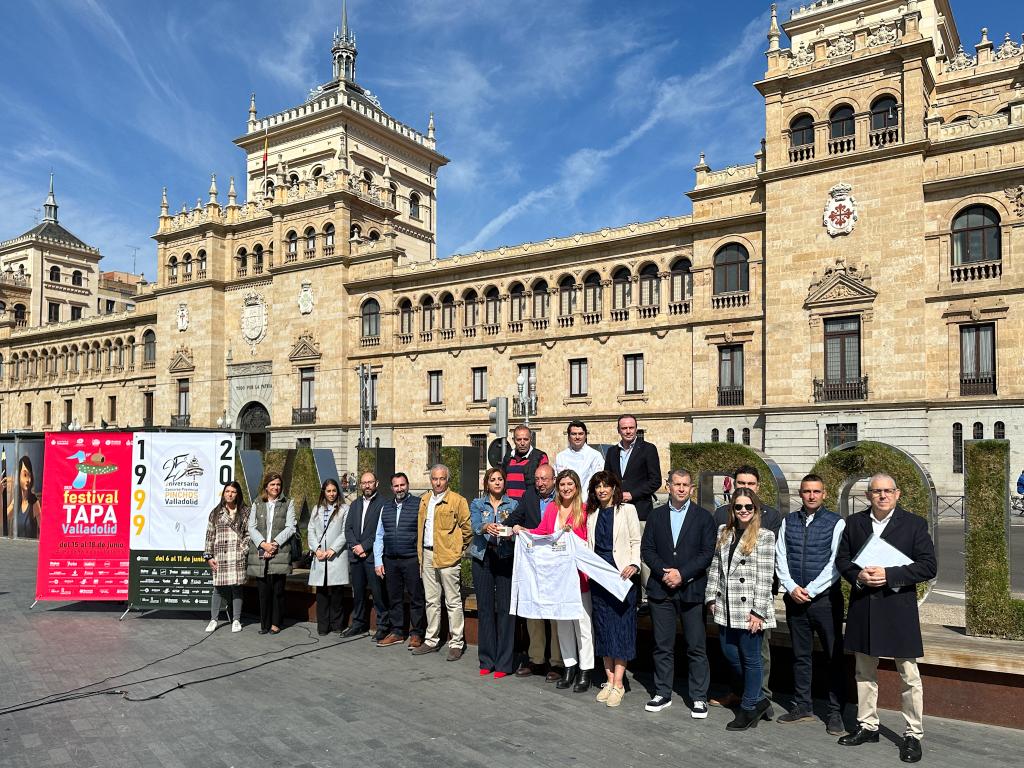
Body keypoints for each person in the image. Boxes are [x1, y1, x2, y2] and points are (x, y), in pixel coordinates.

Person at [836, 473, 937, 764]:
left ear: (898, 493)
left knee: (909, 675)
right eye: (876, 491)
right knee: (864, 672)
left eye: (887, 491)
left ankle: (912, 734)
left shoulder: (914, 524)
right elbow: (842, 560)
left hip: (898, 608)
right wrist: (858, 575)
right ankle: (867, 725)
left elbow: (928, 566)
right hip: (864, 606)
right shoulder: (854, 524)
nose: (882, 496)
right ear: (868, 495)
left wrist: (890, 575)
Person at [775, 473, 847, 735]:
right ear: (800, 493)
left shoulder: (836, 523)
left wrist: (812, 590)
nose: (811, 495)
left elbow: (836, 562)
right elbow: (780, 556)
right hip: (796, 600)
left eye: (816, 491)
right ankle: (802, 705)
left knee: (833, 657)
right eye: (807, 491)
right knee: (800, 656)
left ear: (824, 494)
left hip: (825, 601)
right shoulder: (788, 521)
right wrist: (792, 587)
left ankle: (835, 712)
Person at [641, 469, 716, 717]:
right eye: (677, 484)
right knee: (662, 646)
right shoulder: (656, 515)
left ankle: (698, 696)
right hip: (661, 590)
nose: (681, 489)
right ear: (668, 486)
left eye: (685, 485)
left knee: (696, 646)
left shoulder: (704, 517)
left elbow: (706, 553)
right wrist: (665, 572)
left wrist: (681, 574)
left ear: (692, 488)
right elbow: (647, 548)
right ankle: (662, 692)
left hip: (691, 589)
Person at [712, 465, 782, 714]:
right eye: (741, 483)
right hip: (727, 601)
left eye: (750, 485)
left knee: (757, 655)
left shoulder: (770, 518)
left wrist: (759, 610)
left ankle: (758, 699)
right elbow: (716, 563)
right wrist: (712, 596)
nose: (743, 509)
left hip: (752, 601)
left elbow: (765, 572)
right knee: (731, 652)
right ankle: (745, 692)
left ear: (757, 488)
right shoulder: (722, 520)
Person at [516, 468, 592, 693]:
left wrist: (573, 535)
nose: (566, 488)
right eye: (562, 485)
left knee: (583, 626)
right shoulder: (552, 509)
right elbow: (541, 533)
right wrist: (523, 531)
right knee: (564, 626)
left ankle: (585, 670)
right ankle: (569, 666)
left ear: (576, 487)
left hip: (579, 579)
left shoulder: (585, 510)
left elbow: (589, 541)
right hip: (558, 580)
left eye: (570, 484)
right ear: (557, 487)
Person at [585, 471, 641, 708]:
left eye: (606, 486)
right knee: (604, 628)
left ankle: (619, 682)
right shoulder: (592, 515)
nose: (602, 490)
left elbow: (635, 541)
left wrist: (634, 564)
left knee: (621, 628)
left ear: (614, 488)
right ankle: (608, 680)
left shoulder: (627, 510)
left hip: (621, 576)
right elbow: (590, 547)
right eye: (598, 486)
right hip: (600, 579)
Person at [504, 462, 564, 682]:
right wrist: (514, 527)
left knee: (556, 615)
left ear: (554, 479)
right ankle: (537, 659)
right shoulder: (529, 496)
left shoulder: (563, 497)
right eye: (537, 479)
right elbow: (513, 519)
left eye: (544, 479)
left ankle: (557, 663)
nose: (540, 484)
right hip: (534, 565)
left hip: (557, 564)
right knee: (533, 612)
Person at [412, 464, 472, 661]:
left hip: (448, 557)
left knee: (453, 602)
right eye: (434, 479)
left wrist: (457, 551)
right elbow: (421, 528)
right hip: (428, 555)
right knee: (431, 600)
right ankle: (431, 639)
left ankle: (456, 643)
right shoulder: (425, 500)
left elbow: (467, 530)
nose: (438, 482)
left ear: (448, 480)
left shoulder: (457, 500)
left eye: (441, 479)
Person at [603, 414, 662, 607]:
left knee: (642, 553)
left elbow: (655, 481)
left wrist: (632, 494)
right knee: (622, 550)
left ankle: (646, 597)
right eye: (624, 428)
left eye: (631, 428)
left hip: (640, 510)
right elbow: (607, 480)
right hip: (618, 511)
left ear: (636, 429)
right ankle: (626, 591)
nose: (628, 431)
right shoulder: (612, 452)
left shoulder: (648, 449)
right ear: (618, 430)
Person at [469, 467, 519, 677]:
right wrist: (485, 527)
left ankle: (504, 663)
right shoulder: (478, 503)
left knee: (506, 609)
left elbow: (518, 529)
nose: (497, 482)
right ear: (486, 484)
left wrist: (512, 533)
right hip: (483, 557)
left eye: (500, 479)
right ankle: (487, 659)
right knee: (486, 609)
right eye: (493, 479)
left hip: (506, 558)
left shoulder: (514, 504)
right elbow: (474, 524)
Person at [373, 473, 426, 648]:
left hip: (411, 558)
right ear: (391, 488)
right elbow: (379, 535)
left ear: (408, 485)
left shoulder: (418, 505)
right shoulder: (386, 507)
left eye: (402, 485)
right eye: (396, 486)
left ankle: (417, 633)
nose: (399, 489)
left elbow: (424, 532)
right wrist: (378, 561)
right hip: (391, 560)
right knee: (394, 597)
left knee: (416, 597)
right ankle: (397, 631)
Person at [343, 471, 391, 640]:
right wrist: (356, 546)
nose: (367, 485)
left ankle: (383, 626)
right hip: (356, 557)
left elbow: (381, 532)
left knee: (378, 594)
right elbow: (348, 528)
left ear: (376, 483)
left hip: (372, 557)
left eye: (370, 482)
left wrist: (365, 546)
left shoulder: (384, 504)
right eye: (364, 483)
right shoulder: (355, 504)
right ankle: (358, 624)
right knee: (358, 593)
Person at [246, 472, 296, 635]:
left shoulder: (288, 503)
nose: (275, 487)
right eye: (272, 484)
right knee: (263, 592)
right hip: (260, 552)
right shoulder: (257, 503)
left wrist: (274, 544)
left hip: (279, 552)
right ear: (266, 486)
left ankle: (276, 623)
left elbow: (290, 527)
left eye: (278, 485)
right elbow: (251, 527)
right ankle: (264, 624)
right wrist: (263, 544)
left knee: (278, 591)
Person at [203, 481, 249, 633]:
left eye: (233, 492)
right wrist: (209, 556)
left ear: (238, 494)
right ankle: (213, 619)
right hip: (220, 555)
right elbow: (210, 536)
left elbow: (249, 534)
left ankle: (236, 620)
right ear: (223, 493)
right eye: (227, 491)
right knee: (217, 589)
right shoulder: (216, 512)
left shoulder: (244, 512)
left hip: (237, 555)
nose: (230, 494)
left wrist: (243, 549)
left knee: (237, 588)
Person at [307, 479, 350, 636]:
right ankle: (323, 625)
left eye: (334, 491)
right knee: (322, 592)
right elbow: (311, 530)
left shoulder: (344, 508)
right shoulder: (317, 509)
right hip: (320, 556)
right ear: (323, 492)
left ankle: (337, 623)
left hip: (336, 556)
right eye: (328, 491)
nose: (331, 494)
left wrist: (333, 549)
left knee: (337, 591)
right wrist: (316, 548)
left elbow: (346, 531)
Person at [555, 420, 605, 497]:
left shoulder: (595, 455)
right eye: (574, 434)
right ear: (568, 436)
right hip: (567, 500)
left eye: (580, 434)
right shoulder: (561, 456)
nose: (577, 437)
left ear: (585, 436)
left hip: (587, 501)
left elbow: (599, 480)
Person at [502, 424, 549, 499]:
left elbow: (545, 482)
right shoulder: (508, 457)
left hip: (529, 505)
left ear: (531, 439)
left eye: (526, 439)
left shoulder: (540, 457)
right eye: (519, 439)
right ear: (513, 440)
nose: (522, 443)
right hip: (509, 506)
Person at [5, 455, 41, 539]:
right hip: (16, 549)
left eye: (29, 475)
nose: (28, 479)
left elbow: (44, 531)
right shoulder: (16, 502)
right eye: (25, 475)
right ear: (18, 477)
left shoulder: (34, 502)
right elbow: (2, 519)